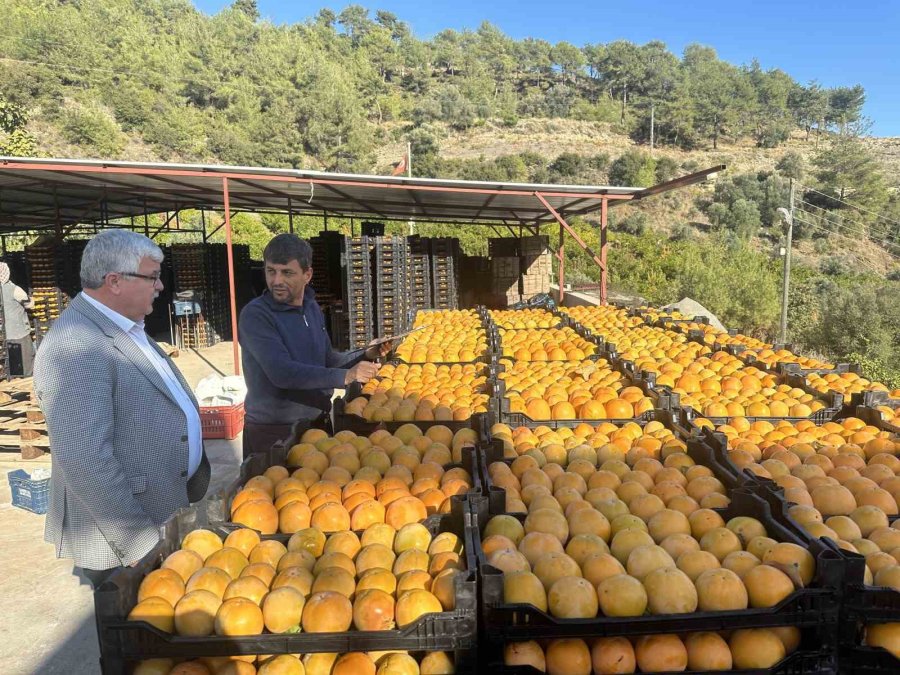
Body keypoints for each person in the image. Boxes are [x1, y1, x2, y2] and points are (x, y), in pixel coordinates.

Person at [33, 230, 210, 587]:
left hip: (163, 510)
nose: (160, 286)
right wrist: (138, 542)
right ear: (114, 281)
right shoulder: (75, 344)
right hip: (129, 536)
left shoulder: (125, 326)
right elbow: (84, 457)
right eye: (153, 277)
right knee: (141, 631)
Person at [239, 233, 391, 457]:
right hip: (274, 432)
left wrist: (365, 353)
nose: (277, 281)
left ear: (307, 274)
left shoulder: (311, 308)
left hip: (316, 425)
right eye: (271, 271)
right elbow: (282, 373)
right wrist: (346, 376)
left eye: (287, 272)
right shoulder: (256, 315)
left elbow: (328, 360)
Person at [0, 261, 35, 377]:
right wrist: (32, 299)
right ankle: (28, 381)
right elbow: (29, 304)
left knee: (13, 362)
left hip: (6, 333)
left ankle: (16, 381)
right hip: (20, 332)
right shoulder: (14, 289)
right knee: (27, 359)